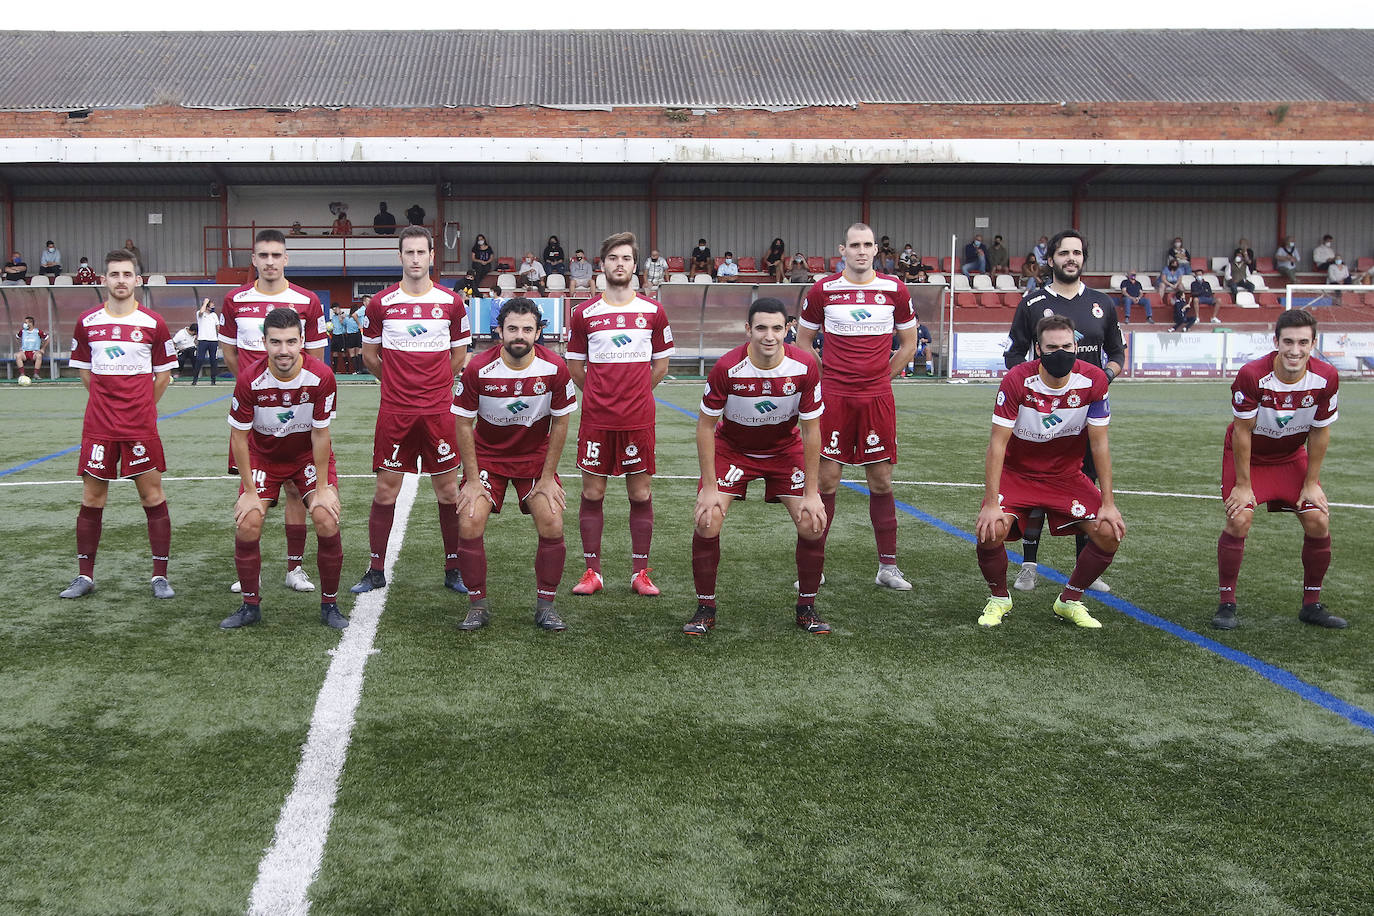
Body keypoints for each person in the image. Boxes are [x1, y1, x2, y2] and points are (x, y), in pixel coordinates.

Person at [683, 298, 829, 636]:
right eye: (761, 328)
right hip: (734, 450)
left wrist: (811, 492)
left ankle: (806, 607)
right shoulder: (727, 368)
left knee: (812, 523)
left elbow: (811, 431)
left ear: (787, 329)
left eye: (777, 328)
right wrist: (708, 487)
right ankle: (705, 607)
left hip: (784, 450)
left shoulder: (805, 366)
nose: (769, 336)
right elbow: (705, 427)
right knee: (707, 520)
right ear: (748, 330)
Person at [975, 314, 1125, 630]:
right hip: (1017, 474)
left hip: (1065, 476)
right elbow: (997, 445)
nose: (1061, 352)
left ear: (1076, 345)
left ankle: (1070, 600)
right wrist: (990, 503)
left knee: (1110, 533)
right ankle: (999, 598)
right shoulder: (1017, 380)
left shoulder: (1094, 381)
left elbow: (1100, 446)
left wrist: (1109, 503)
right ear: (1038, 350)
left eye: (1067, 346)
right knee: (990, 531)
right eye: (1052, 347)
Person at [351, 225, 472, 595]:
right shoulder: (380, 303)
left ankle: (454, 569)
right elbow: (370, 357)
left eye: (422, 252)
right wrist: (399, 383)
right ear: (400, 256)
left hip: (438, 411)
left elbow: (458, 355)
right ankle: (375, 570)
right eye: (410, 253)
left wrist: (432, 383)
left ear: (431, 256)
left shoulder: (451, 302)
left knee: (448, 492)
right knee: (386, 491)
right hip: (396, 411)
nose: (416, 259)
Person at [797, 222, 918, 591]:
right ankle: (815, 565)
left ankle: (888, 567)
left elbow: (909, 344)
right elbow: (803, 342)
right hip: (834, 397)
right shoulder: (823, 290)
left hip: (877, 398)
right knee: (827, 480)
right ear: (843, 250)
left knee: (880, 481)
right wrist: (825, 379)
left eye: (867, 245)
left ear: (875, 251)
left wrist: (883, 378)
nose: (862, 251)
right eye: (855, 245)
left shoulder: (895, 290)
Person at [1003, 229, 1125, 593]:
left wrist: (1102, 379)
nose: (1071, 258)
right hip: (1040, 412)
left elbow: (1117, 354)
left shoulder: (1102, 302)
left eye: (1076, 253)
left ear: (1083, 258)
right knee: (1037, 480)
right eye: (1063, 253)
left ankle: (1086, 567)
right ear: (1051, 259)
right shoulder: (1033, 302)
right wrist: (1027, 389)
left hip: (1084, 413)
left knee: (1086, 481)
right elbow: (1014, 353)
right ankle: (1028, 566)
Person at [451, 297, 578, 632]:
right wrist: (473, 480)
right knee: (469, 520)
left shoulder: (555, 368)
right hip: (488, 456)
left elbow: (561, 423)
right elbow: (463, 423)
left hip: (535, 455)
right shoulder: (479, 368)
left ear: (538, 332)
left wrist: (549, 477)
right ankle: (477, 605)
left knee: (552, 522)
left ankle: (546, 606)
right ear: (499, 331)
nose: (519, 335)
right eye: (512, 328)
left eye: (527, 329)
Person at [1214, 309, 1343, 630]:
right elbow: (1242, 431)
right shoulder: (1252, 375)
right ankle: (1226, 602)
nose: (1295, 350)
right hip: (1249, 457)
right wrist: (1243, 485)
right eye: (1288, 341)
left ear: (1313, 344)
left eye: (1303, 342)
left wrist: (1311, 482)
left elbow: (1320, 431)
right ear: (1276, 342)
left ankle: (1311, 604)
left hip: (1289, 457)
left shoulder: (1326, 377)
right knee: (1239, 517)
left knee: (1317, 520)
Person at [60, 249, 177, 601]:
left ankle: (159, 576)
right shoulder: (88, 322)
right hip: (99, 425)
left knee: (152, 495)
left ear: (137, 280)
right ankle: (84, 575)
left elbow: (164, 375)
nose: (121, 280)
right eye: (114, 274)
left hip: (140, 426)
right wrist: (106, 405)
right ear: (104, 280)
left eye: (127, 274)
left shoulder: (153, 323)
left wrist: (140, 408)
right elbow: (85, 372)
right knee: (92, 498)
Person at [221, 307, 346, 630]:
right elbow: (239, 437)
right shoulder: (250, 379)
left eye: (291, 342)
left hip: (305, 455)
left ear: (302, 341)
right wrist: (249, 492)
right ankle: (250, 605)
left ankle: (330, 605)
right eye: (275, 342)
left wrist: (321, 488)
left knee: (325, 517)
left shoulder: (322, 377)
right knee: (248, 522)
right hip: (263, 456)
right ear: (264, 343)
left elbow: (321, 434)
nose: (284, 350)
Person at [220, 229, 330, 595]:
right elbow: (231, 354)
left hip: (298, 410)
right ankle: (247, 571)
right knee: (251, 494)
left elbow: (316, 356)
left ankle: (294, 568)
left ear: (286, 259)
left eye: (276, 255)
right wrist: (256, 388)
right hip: (255, 410)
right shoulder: (235, 300)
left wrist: (293, 390)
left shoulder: (307, 299)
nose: (269, 261)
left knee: (298, 494)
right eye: (262, 255)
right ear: (254, 259)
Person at [565, 231, 674, 597]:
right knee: (593, 492)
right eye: (613, 258)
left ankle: (639, 573)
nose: (619, 264)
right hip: (597, 418)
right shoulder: (584, 313)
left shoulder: (652, 311)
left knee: (640, 494)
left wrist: (637, 393)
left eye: (626, 258)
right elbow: (576, 368)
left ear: (635, 266)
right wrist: (599, 394)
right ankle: (591, 572)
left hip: (638, 419)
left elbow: (660, 364)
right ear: (602, 264)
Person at [192, 298, 219, 384]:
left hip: (213, 340)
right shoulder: (200, 313)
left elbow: (218, 326)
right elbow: (200, 312)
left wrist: (219, 336)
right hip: (203, 340)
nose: (213, 307)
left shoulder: (214, 315)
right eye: (211, 306)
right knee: (200, 359)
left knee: (213, 360)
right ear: (207, 307)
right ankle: (195, 379)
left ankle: (213, 379)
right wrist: (205, 303)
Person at [15, 315, 49, 381]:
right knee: (18, 355)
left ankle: (36, 374)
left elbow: (47, 339)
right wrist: (20, 347)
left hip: (34, 352)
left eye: (26, 322)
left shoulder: (38, 331)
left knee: (39, 355)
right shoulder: (22, 331)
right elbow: (17, 337)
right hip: (25, 352)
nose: (24, 324)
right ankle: (22, 374)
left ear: (30, 323)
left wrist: (42, 348)